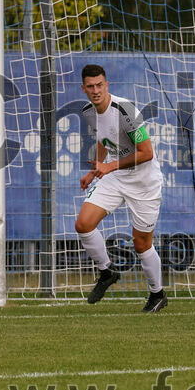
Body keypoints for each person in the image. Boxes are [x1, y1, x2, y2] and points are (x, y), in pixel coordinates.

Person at [75, 64, 167, 313]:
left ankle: (157, 294)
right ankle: (107, 272)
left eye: (99, 85)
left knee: (141, 244)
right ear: (83, 89)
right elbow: (103, 138)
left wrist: (110, 166)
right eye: (90, 86)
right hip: (115, 177)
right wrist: (96, 170)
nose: (95, 90)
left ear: (107, 85)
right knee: (83, 224)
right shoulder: (88, 112)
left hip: (144, 182)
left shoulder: (125, 109)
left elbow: (147, 153)